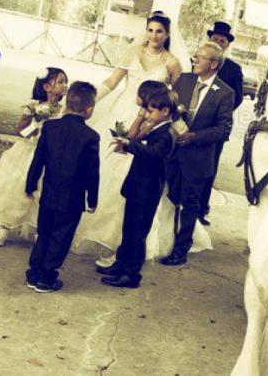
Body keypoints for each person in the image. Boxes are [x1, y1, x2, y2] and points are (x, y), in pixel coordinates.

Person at [71, 13, 211, 260]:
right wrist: (83, 101)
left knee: (134, 179)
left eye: (159, 31)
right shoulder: (131, 52)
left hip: (149, 120)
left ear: (167, 35)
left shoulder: (172, 63)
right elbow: (112, 82)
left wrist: (169, 126)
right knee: (103, 172)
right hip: (122, 114)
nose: (154, 35)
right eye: (150, 30)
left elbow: (175, 102)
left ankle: (122, 246)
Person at [0, 67, 68, 246]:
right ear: (47, 86)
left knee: (42, 190)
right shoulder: (33, 106)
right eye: (60, 81)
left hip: (49, 156)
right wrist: (34, 126)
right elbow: (20, 129)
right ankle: (4, 227)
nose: (65, 85)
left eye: (65, 82)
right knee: (16, 186)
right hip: (27, 152)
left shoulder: (63, 110)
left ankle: (39, 229)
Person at [160, 42, 234, 266]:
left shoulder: (225, 93)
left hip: (198, 160)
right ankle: (165, 240)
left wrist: (195, 136)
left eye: (199, 57)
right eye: (195, 56)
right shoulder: (184, 80)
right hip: (172, 154)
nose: (194, 60)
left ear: (213, 64)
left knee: (189, 205)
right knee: (170, 199)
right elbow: (169, 108)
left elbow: (224, 129)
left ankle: (180, 251)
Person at [98, 89, 178, 288]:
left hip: (147, 190)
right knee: (129, 230)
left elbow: (154, 154)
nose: (147, 115)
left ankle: (131, 274)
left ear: (165, 111)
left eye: (151, 111)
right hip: (138, 187)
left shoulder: (166, 134)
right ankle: (121, 264)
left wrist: (130, 145)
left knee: (137, 234)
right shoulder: (155, 127)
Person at [25, 81, 100, 293]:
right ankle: (46, 278)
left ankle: (33, 272)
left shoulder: (50, 127)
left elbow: (38, 160)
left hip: (49, 194)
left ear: (67, 104)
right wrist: (92, 200)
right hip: (72, 199)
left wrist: (30, 185)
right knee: (61, 237)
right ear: (89, 110)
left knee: (45, 232)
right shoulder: (91, 137)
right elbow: (92, 172)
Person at [199, 21, 244, 226]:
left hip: (217, 125)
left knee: (209, 167)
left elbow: (238, 98)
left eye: (222, 41)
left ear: (226, 45)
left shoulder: (234, 68)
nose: (218, 42)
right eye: (215, 39)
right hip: (194, 121)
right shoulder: (198, 59)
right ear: (209, 39)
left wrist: (218, 110)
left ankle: (201, 209)